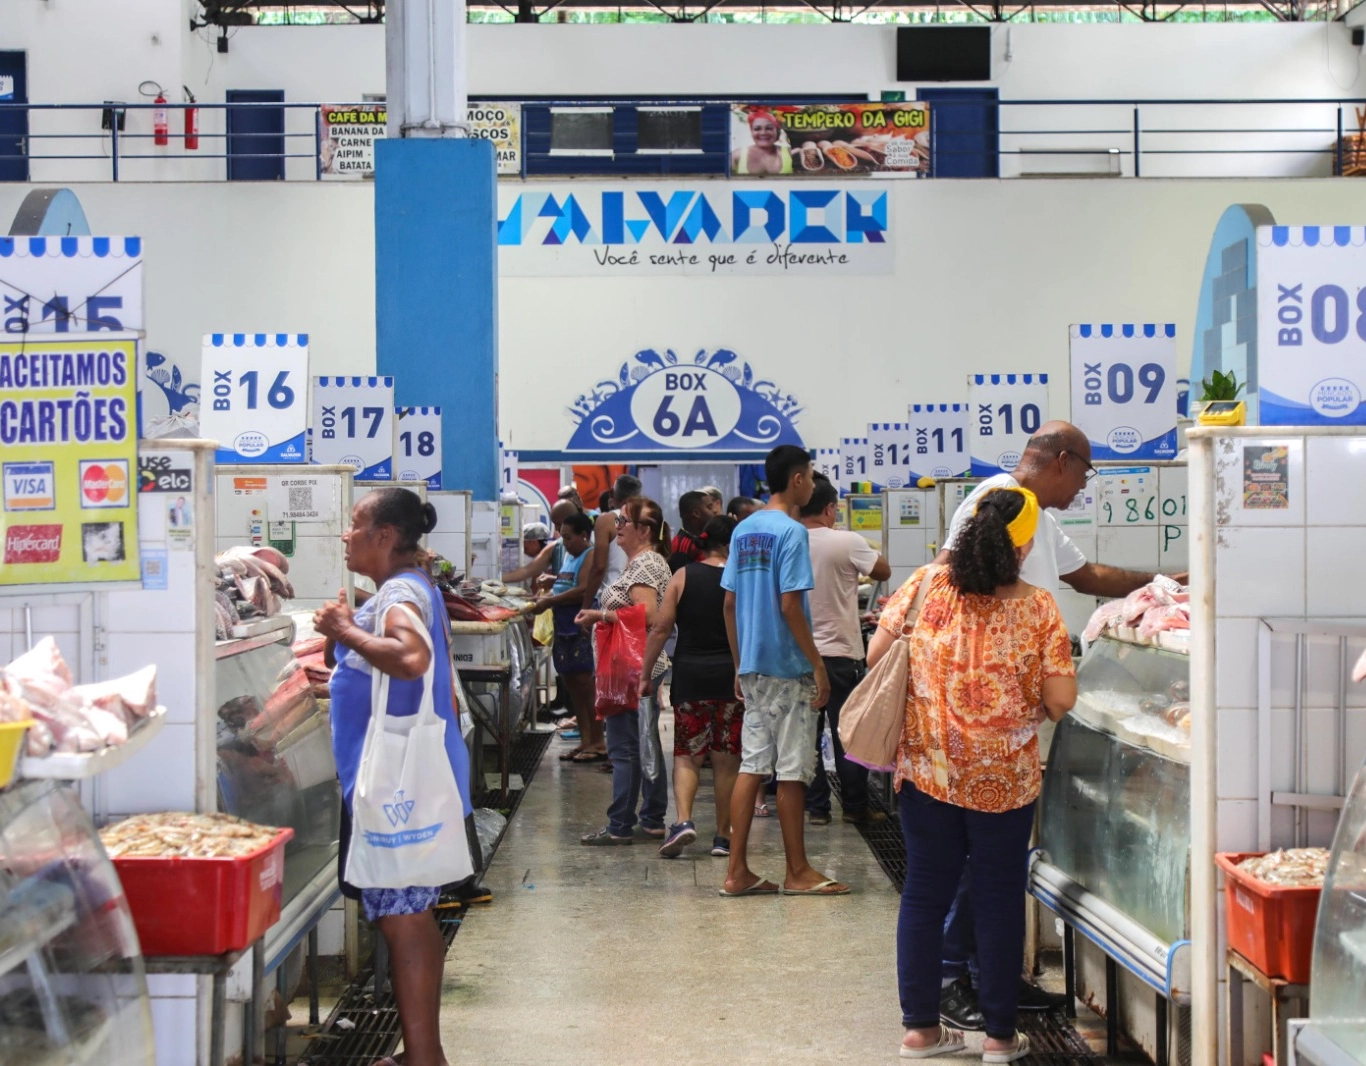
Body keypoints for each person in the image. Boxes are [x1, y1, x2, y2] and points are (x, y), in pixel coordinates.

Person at [873, 419, 1186, 1028]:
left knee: (940, 884)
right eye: (1086, 471)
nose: (1083, 486)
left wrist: (1158, 583)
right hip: (996, 766)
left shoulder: (1016, 525)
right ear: (1062, 461)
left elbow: (1083, 577)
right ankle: (969, 996)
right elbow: (1059, 692)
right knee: (988, 885)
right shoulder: (1010, 531)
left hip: (930, 760)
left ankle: (941, 1011)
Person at [874, 487, 1075, 1062]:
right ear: (1026, 543)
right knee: (997, 898)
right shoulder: (1036, 607)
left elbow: (876, 658)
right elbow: (1060, 698)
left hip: (927, 772)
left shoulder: (924, 587)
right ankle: (998, 1038)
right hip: (1003, 781)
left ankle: (920, 1031)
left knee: (925, 893)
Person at [315, 488, 472, 1066]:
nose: (345, 537)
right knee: (411, 915)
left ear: (384, 536)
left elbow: (409, 658)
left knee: (403, 920)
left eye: (355, 526)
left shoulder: (400, 594)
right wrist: (347, 630)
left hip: (394, 785)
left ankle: (424, 1058)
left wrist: (345, 627)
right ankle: (421, 1053)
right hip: (404, 779)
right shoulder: (401, 589)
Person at [720, 445, 847, 897]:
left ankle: (736, 873)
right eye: (810, 476)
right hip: (789, 665)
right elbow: (790, 604)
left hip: (753, 665)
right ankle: (797, 872)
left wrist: (740, 663)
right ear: (796, 480)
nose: (813, 484)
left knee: (753, 764)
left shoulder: (743, 530)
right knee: (793, 770)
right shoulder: (792, 533)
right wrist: (817, 664)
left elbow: (730, 602)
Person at [642, 515, 742, 859]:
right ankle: (723, 836)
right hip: (732, 677)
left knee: (687, 754)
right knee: (727, 760)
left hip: (690, 676)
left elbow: (660, 628)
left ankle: (683, 821)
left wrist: (645, 673)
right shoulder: (740, 577)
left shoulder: (683, 575)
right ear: (732, 544)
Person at [575, 496, 673, 844]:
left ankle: (619, 825)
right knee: (643, 744)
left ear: (644, 530)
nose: (617, 528)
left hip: (633, 667)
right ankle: (652, 818)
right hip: (637, 664)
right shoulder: (647, 561)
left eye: (624, 523)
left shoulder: (645, 564)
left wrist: (599, 615)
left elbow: (646, 615)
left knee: (624, 748)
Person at [798, 473, 892, 826]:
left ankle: (817, 808)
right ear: (829, 509)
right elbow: (883, 568)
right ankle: (855, 807)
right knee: (847, 734)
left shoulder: (788, 541)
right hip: (841, 654)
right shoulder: (846, 542)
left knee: (806, 736)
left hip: (801, 655)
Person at [528, 512, 604, 763]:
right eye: (563, 537)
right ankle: (585, 739)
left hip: (577, 622)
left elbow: (582, 589)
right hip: (562, 623)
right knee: (572, 684)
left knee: (585, 684)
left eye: (569, 537)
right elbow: (565, 584)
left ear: (585, 535)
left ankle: (598, 741)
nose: (566, 543)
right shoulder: (570, 556)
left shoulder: (590, 554)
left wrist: (550, 600)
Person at [503, 501, 580, 588]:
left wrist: (555, 580)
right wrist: (497, 579)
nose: (556, 528)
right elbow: (526, 571)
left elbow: (582, 583)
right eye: (554, 524)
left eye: (558, 524)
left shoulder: (586, 549)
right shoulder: (556, 547)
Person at [732, 109, 793, 176]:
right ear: (751, 131)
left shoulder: (790, 153)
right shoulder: (735, 156)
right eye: (757, 129)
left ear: (777, 131)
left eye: (769, 128)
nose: (763, 133)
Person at [669, 489, 715, 572]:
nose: (714, 511)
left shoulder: (702, 539)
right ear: (696, 513)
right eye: (710, 507)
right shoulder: (682, 546)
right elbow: (684, 582)